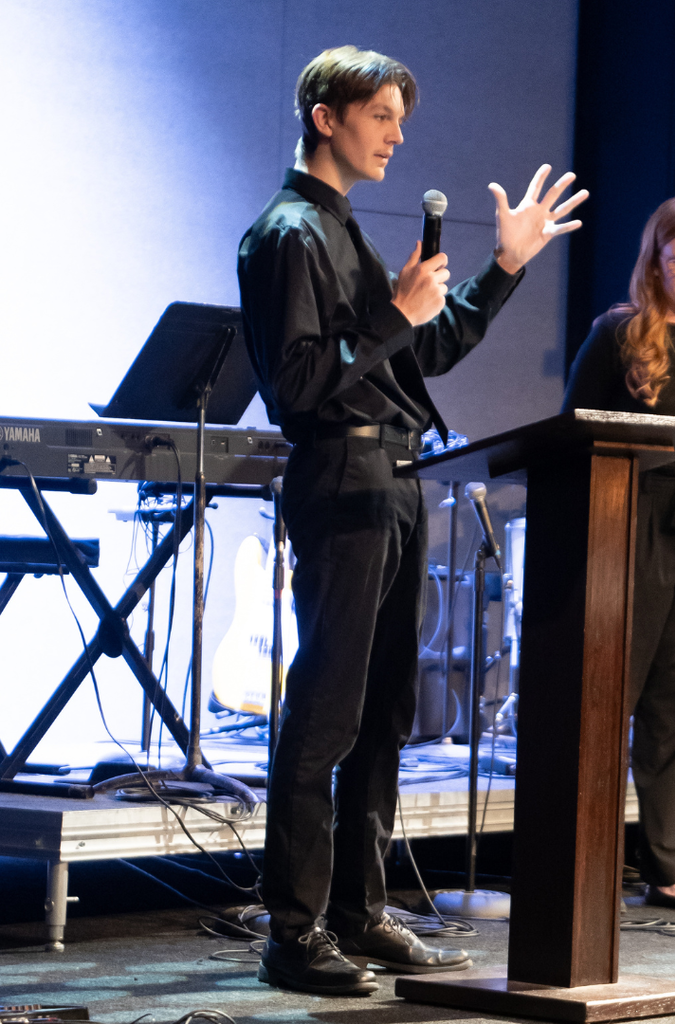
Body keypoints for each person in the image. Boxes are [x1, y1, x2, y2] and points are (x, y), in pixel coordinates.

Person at [237, 45, 587, 995]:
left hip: (394, 482)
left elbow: (422, 349)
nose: (396, 134)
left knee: (386, 714)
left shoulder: (343, 231)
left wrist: (505, 268)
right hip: (342, 484)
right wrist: (389, 314)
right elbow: (300, 386)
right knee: (327, 713)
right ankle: (294, 931)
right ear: (326, 116)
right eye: (382, 114)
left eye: (400, 118)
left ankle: (359, 910)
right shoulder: (286, 236)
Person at [561, 194, 675, 915]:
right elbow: (572, 430)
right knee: (612, 695)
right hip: (632, 519)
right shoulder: (620, 333)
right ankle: (585, 863)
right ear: (656, 261)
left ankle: (670, 869)